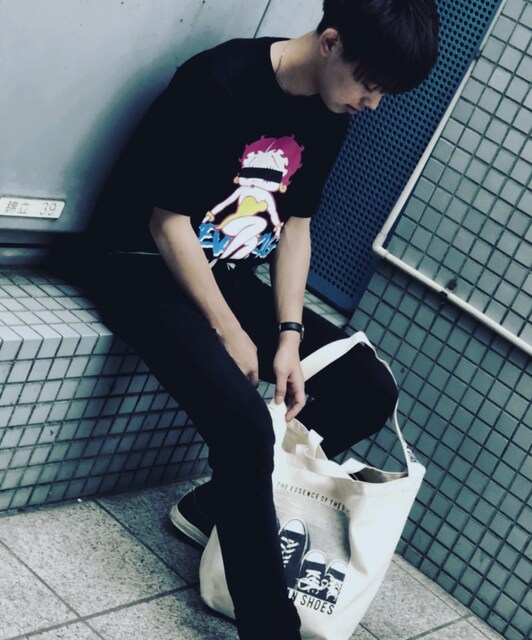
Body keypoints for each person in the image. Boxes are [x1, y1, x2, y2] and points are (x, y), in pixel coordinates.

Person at [70, 1, 439, 637]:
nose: (373, 104)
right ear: (330, 42)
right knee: (244, 428)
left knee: (366, 385)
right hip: (143, 271)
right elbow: (167, 224)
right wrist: (229, 330)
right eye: (370, 85)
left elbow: (296, 228)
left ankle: (212, 507)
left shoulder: (330, 109)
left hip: (228, 276)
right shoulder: (219, 83)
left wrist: (289, 337)